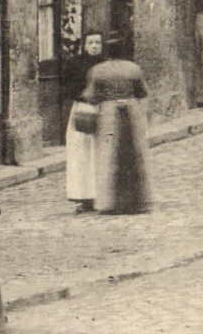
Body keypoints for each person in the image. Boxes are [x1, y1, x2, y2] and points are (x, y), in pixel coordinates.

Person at [80, 45, 153, 214]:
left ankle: (110, 202)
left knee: (108, 154)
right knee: (135, 154)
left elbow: (90, 96)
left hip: (109, 114)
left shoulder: (98, 70)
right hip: (131, 113)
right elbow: (143, 92)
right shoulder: (133, 69)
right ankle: (137, 201)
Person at [64, 32, 103, 211]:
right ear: (85, 46)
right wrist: (83, 96)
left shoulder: (105, 65)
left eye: (97, 42)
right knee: (81, 153)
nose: (94, 46)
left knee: (99, 151)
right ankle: (83, 196)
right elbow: (67, 87)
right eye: (91, 42)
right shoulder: (76, 64)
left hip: (102, 110)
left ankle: (100, 194)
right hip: (82, 109)